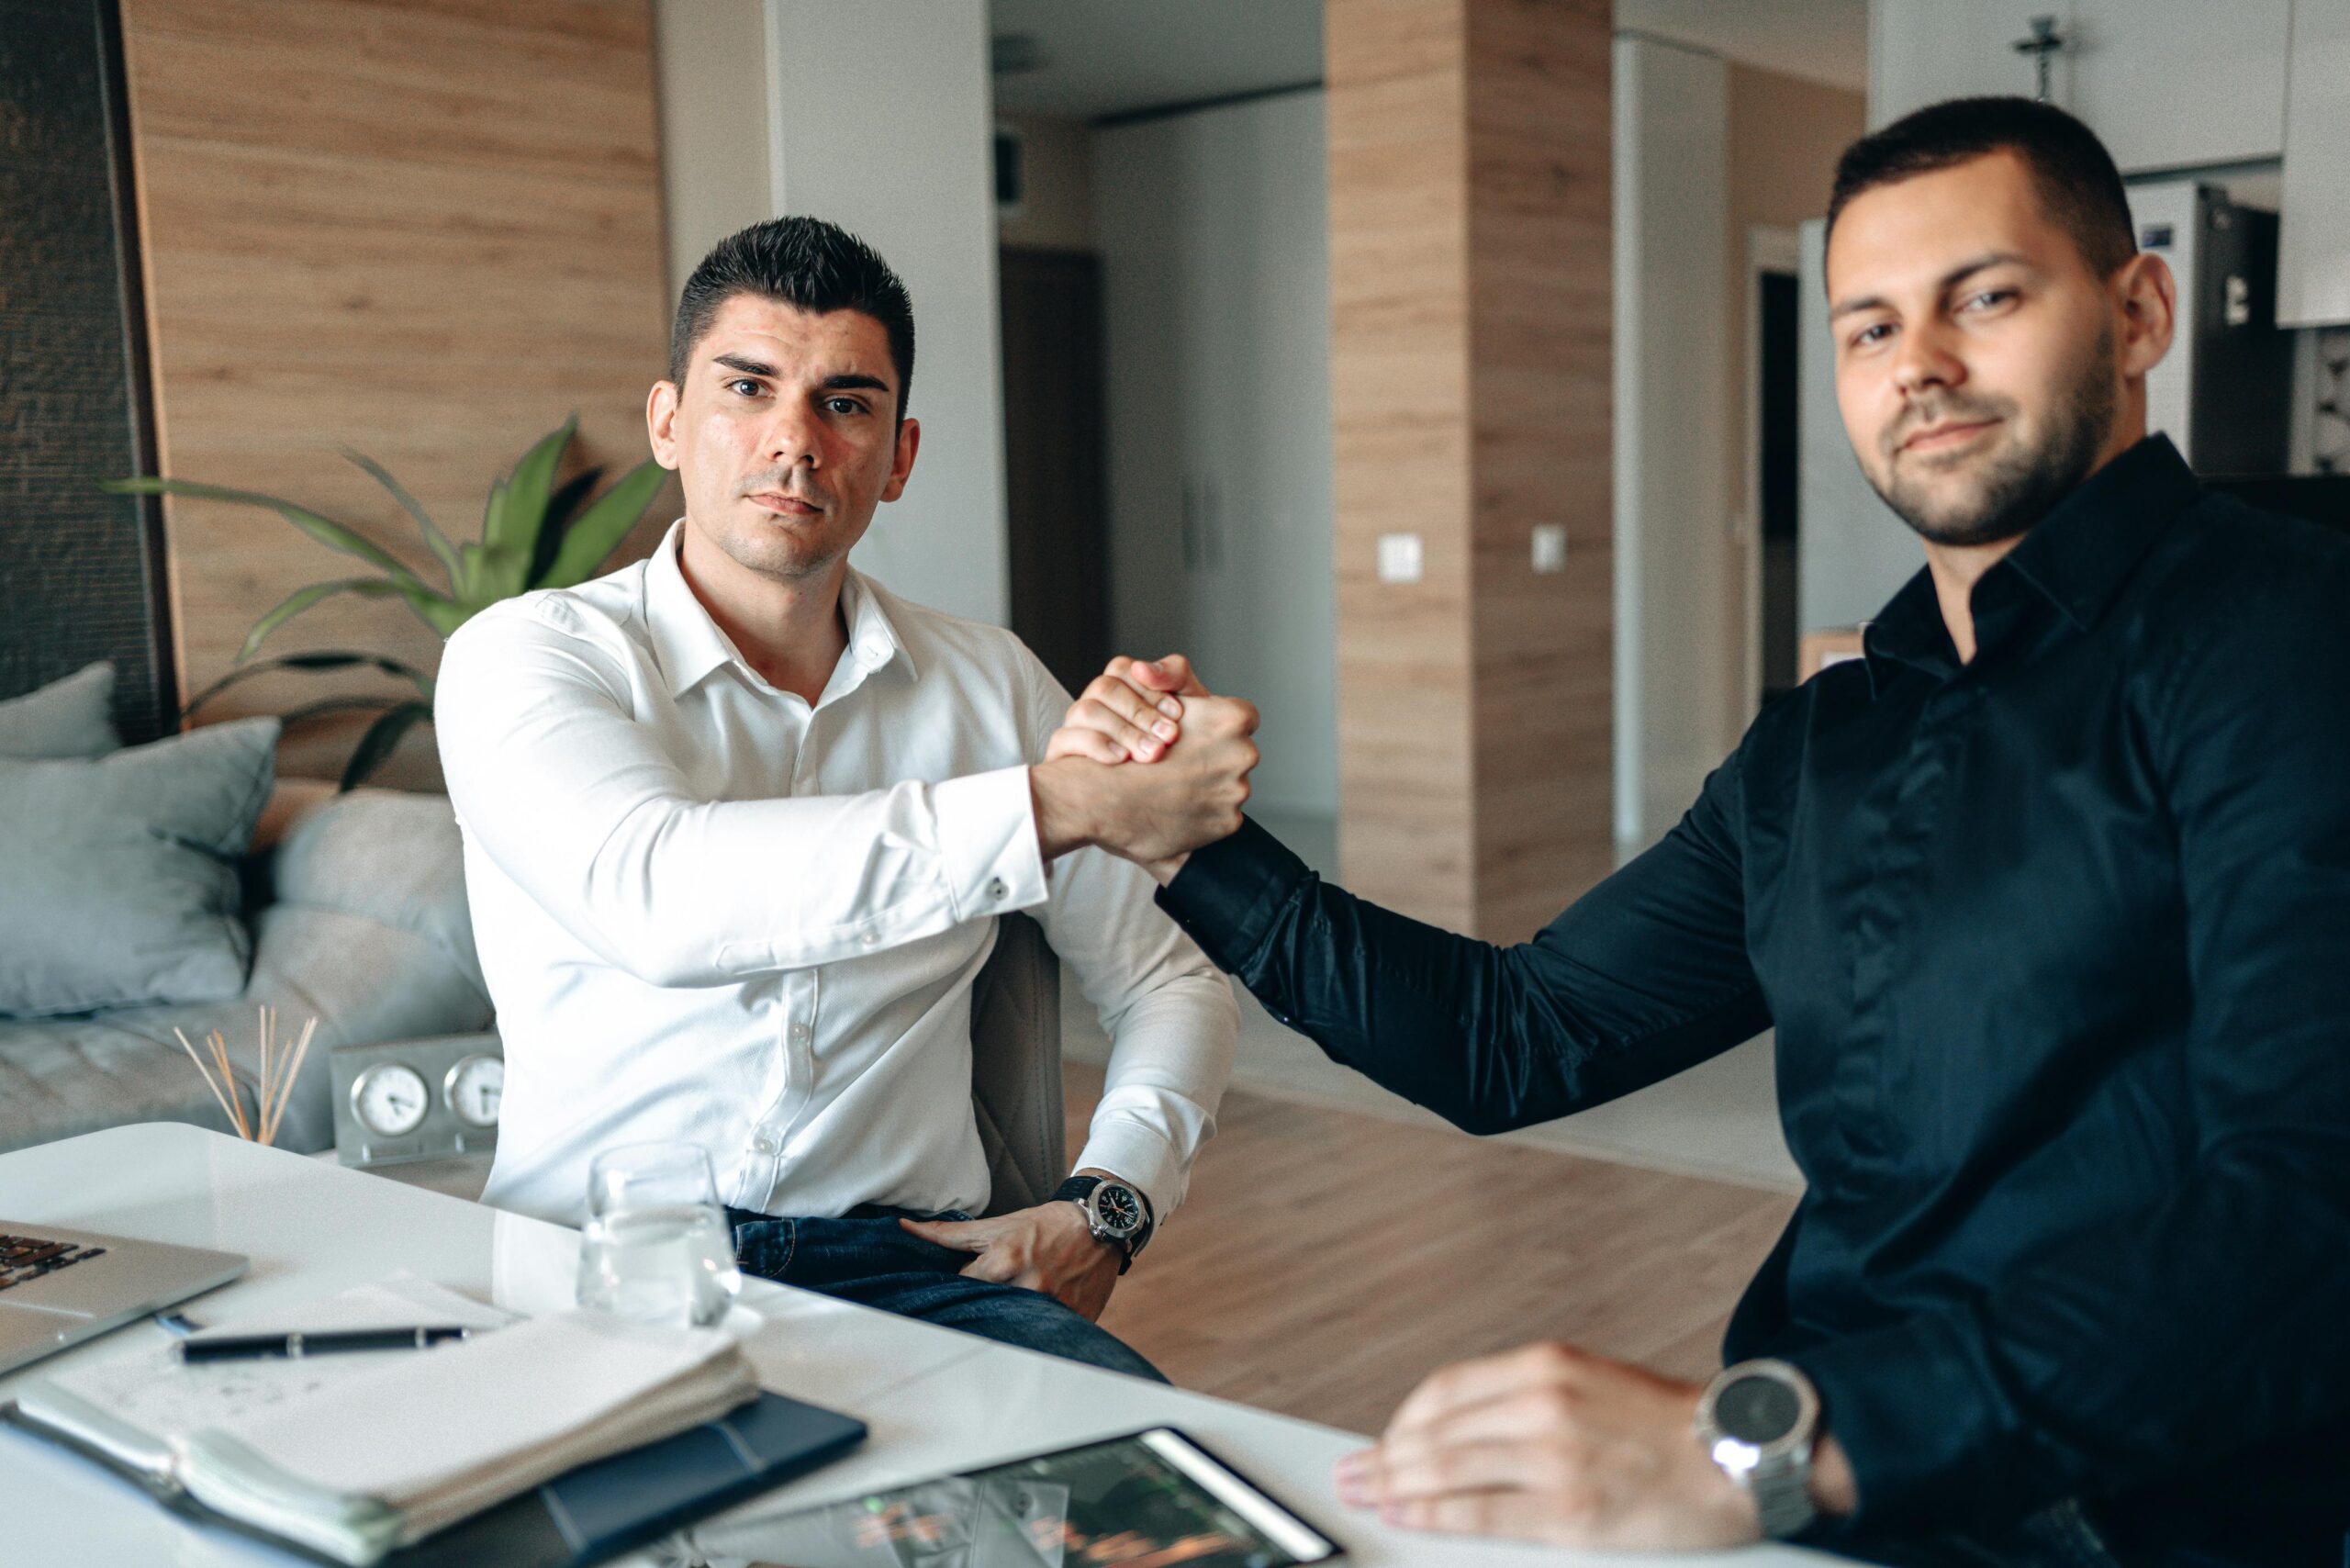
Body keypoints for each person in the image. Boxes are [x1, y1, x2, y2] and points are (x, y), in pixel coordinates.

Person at [1046, 98, 2350, 1563]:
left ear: (2139, 311)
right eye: (1866, 328)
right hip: (1832, 1505)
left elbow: (2310, 1205)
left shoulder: (2289, 637)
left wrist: (1764, 1449)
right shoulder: (1824, 742)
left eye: (1984, 297)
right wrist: (1183, 842)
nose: (1919, 364)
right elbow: (1513, 1035)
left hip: (2149, 1517)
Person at [434, 217, 1255, 1380]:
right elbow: (661, 896)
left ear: (899, 456)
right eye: (749, 388)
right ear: (669, 422)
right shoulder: (528, 657)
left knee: (1159, 1506)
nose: (794, 442)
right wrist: (1051, 807)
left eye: (846, 403)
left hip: (915, 1271)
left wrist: (1110, 1205)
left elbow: (1169, 974)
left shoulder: (991, 683)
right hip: (595, 1264)